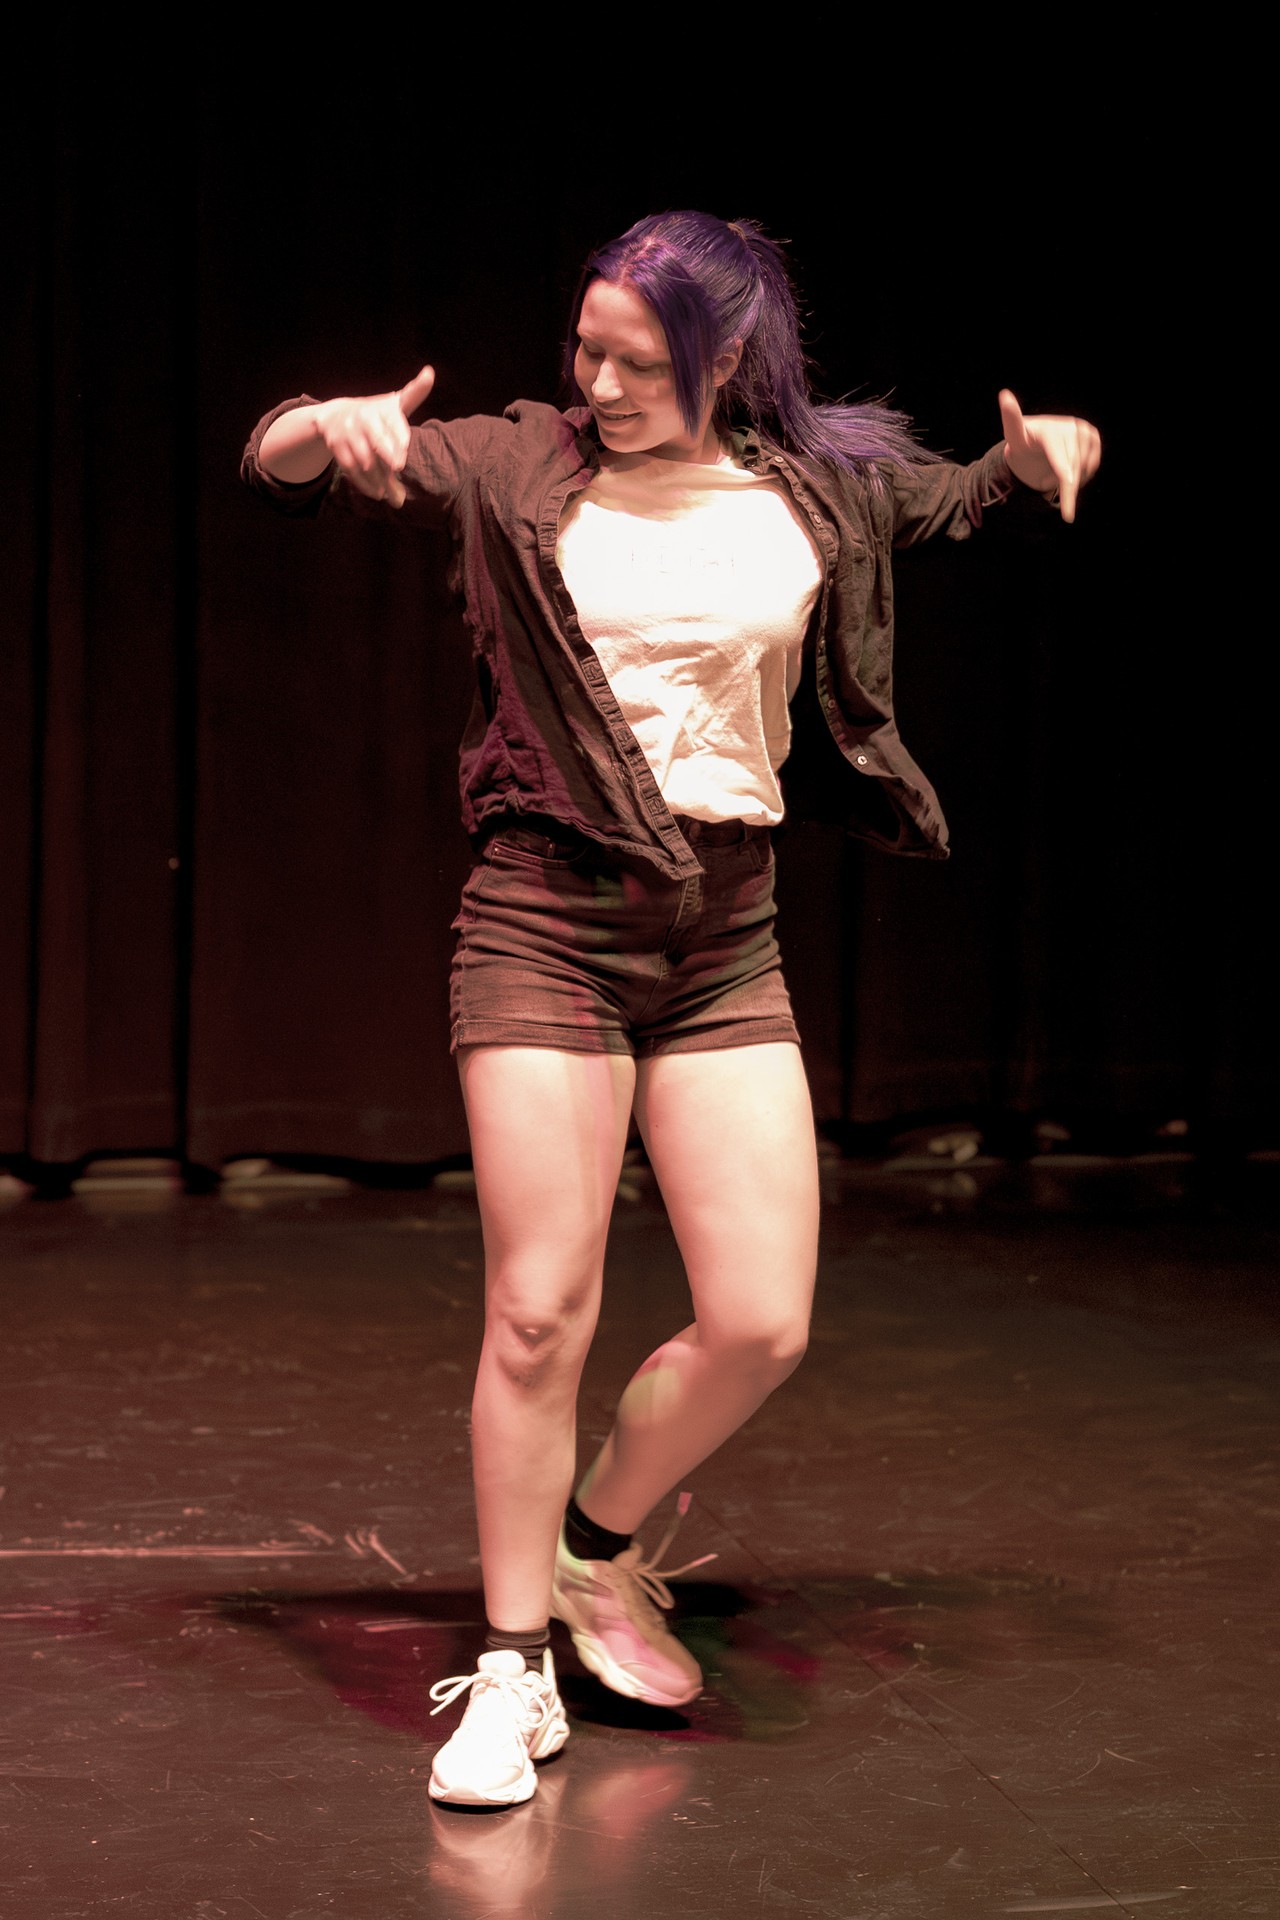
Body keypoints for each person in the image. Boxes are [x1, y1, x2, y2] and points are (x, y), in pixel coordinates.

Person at [242, 210, 1101, 1809]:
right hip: (545, 924)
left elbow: (970, 491)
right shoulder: (518, 464)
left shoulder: (814, 490)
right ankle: (511, 1673)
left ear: (730, 360)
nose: (603, 384)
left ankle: (594, 1547)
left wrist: (1045, 451)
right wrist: (323, 427)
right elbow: (284, 463)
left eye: (642, 364)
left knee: (764, 1319)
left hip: (725, 936)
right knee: (537, 1311)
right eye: (589, 352)